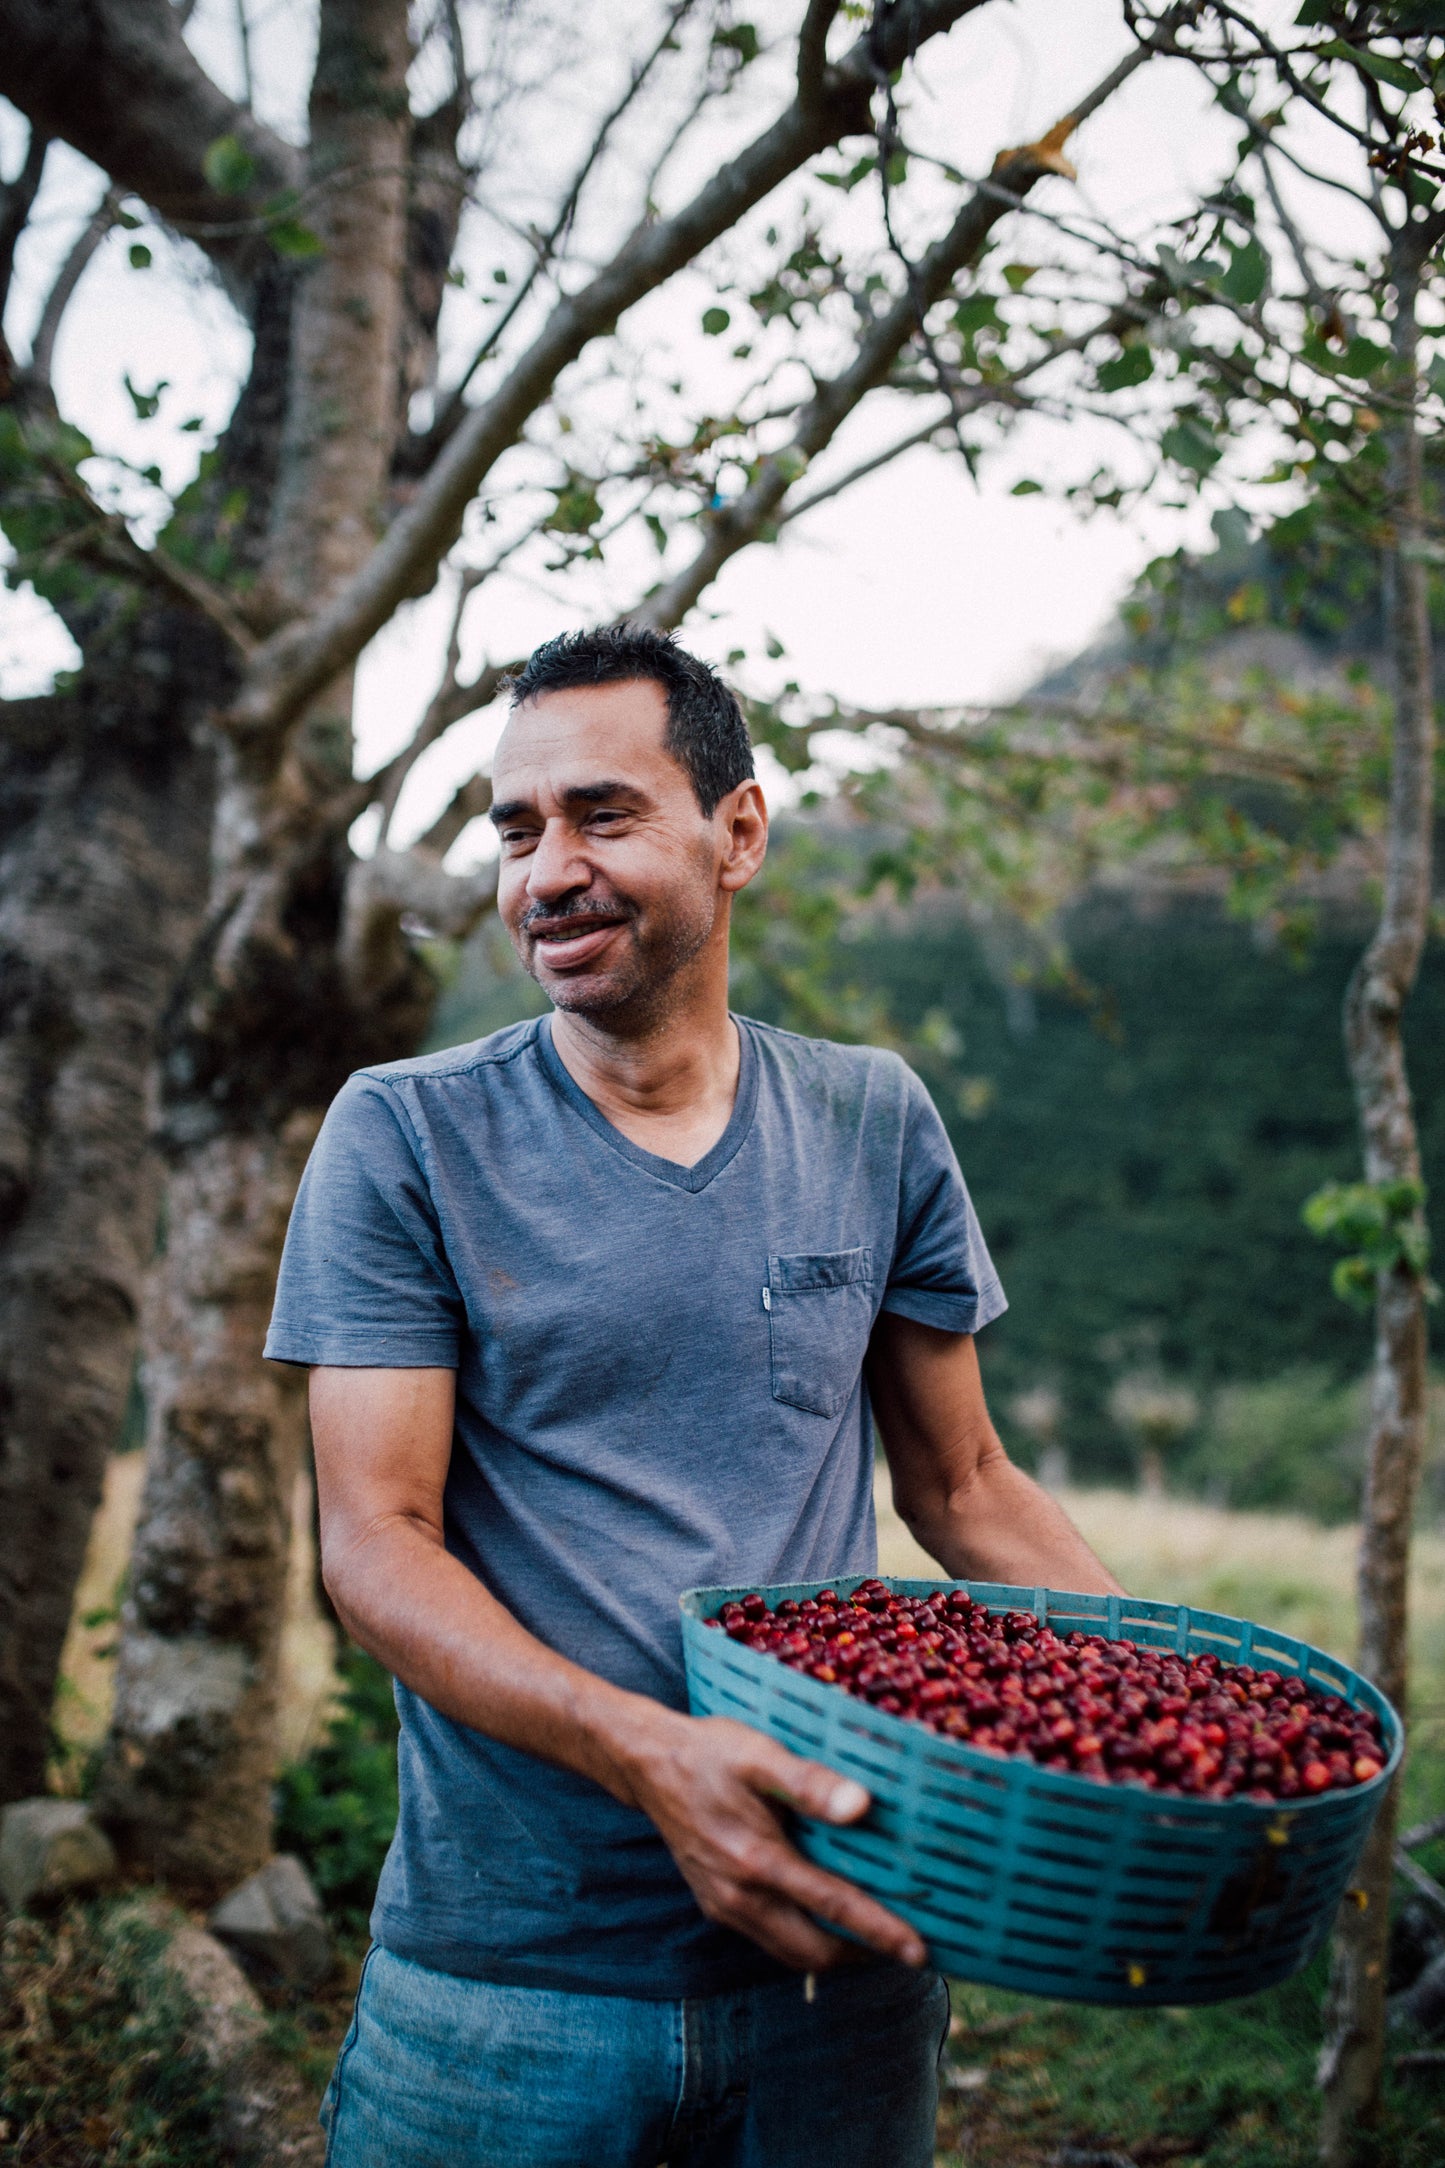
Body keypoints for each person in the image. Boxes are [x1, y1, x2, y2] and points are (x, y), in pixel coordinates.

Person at [265, 626, 1122, 2168]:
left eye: (602, 815)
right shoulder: (403, 1136)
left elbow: (966, 1487)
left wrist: (1170, 1703)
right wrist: (646, 1755)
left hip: (837, 1945)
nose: (546, 874)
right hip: (513, 1974)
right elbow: (376, 1543)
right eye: (516, 831)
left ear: (738, 833)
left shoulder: (871, 1118)